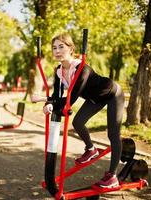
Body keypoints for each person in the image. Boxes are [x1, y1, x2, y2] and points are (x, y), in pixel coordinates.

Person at [31, 33, 124, 188]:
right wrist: (50, 103)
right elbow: (57, 96)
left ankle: (112, 176)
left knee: (113, 133)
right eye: (54, 48)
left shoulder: (82, 69)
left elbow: (71, 99)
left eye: (61, 47)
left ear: (71, 49)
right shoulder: (59, 71)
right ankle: (91, 149)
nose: (57, 51)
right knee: (78, 122)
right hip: (95, 98)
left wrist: (43, 99)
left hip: (112, 93)